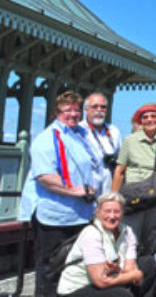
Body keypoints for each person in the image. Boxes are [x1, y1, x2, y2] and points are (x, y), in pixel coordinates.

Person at [20, 90, 104, 296]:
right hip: (55, 217)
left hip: (80, 214)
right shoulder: (46, 139)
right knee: (51, 267)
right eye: (68, 110)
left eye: (77, 110)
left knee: (74, 266)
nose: (73, 115)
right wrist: (76, 191)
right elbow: (45, 176)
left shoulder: (81, 135)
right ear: (57, 113)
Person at [57, 192, 156, 297]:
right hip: (77, 289)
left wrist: (120, 270)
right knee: (121, 294)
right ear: (98, 212)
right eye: (107, 211)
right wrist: (134, 275)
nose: (112, 216)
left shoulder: (127, 231)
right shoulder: (91, 234)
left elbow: (130, 266)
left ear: (122, 213)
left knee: (148, 264)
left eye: (117, 212)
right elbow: (101, 281)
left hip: (110, 278)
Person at [112, 103, 156, 256]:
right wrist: (114, 198)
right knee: (130, 242)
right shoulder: (130, 141)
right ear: (140, 121)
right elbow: (119, 172)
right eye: (145, 117)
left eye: (153, 116)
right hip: (137, 200)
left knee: (155, 243)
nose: (150, 119)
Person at [81, 92, 122, 194]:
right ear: (86, 109)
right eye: (94, 107)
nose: (99, 110)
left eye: (103, 107)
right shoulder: (78, 130)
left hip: (109, 187)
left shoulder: (114, 131)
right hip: (88, 189)